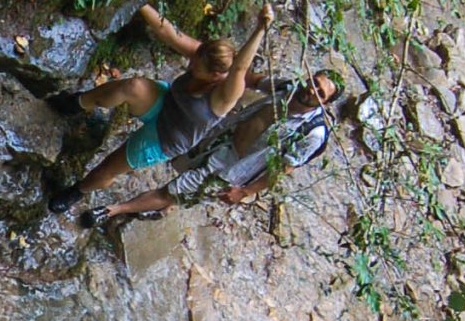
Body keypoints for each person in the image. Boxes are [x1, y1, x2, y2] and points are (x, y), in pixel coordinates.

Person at [60, 0, 276, 202]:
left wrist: (260, 29)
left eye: (197, 67)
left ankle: (76, 192)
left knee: (107, 169)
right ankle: (75, 104)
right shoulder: (202, 56)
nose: (191, 66)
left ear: (214, 75)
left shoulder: (224, 95)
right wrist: (142, 1)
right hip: (165, 102)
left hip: (167, 138)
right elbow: (169, 33)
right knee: (132, 86)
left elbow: (239, 68)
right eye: (195, 59)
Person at [96, 71, 343, 223]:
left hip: (232, 169)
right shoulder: (288, 87)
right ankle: (171, 203)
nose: (311, 90)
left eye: (319, 92)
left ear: (325, 102)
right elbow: (255, 80)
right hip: (220, 136)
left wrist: (245, 192)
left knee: (170, 191)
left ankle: (114, 210)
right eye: (314, 82)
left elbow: (282, 168)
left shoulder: (312, 134)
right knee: (180, 165)